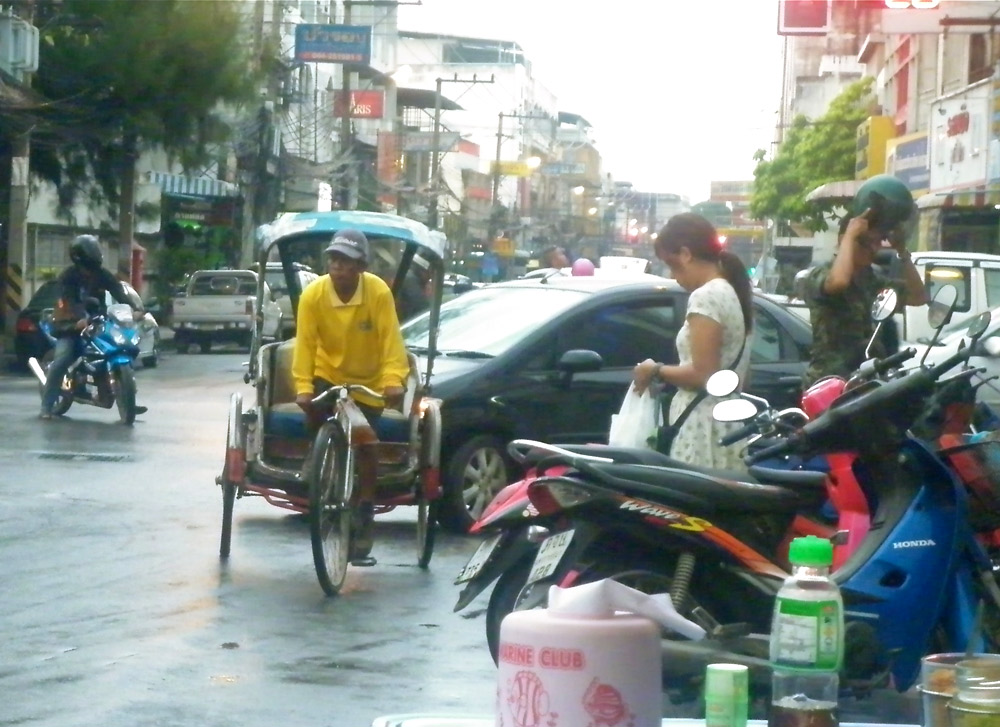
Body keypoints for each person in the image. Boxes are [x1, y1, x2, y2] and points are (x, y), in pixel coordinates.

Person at [291, 228, 410, 559]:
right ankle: (317, 459)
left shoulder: (377, 292)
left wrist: (393, 379)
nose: (338, 267)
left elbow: (391, 342)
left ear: (361, 266)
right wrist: (302, 387)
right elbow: (305, 345)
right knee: (313, 407)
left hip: (367, 382)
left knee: (366, 442)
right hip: (327, 374)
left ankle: (365, 509)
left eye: (346, 262)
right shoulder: (313, 295)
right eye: (334, 260)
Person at [632, 213, 753, 471]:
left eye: (672, 265)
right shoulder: (729, 290)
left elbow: (703, 374)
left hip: (701, 429)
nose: (674, 276)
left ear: (686, 254)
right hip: (725, 423)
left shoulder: (706, 296)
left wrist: (654, 370)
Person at [801, 175, 927, 388]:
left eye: (878, 242)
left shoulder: (873, 280)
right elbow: (838, 282)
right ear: (844, 240)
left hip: (866, 383)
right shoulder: (818, 276)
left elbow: (918, 296)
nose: (874, 248)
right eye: (866, 242)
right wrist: (850, 234)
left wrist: (902, 250)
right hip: (829, 385)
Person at [40, 234, 147, 419]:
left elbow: (118, 291)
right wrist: (80, 318)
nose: (91, 270)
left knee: (116, 347)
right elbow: (69, 300)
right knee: (62, 360)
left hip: (97, 321)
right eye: (88, 266)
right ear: (79, 261)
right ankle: (46, 406)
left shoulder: (101, 273)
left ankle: (126, 397)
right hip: (69, 323)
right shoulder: (68, 276)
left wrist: (135, 308)